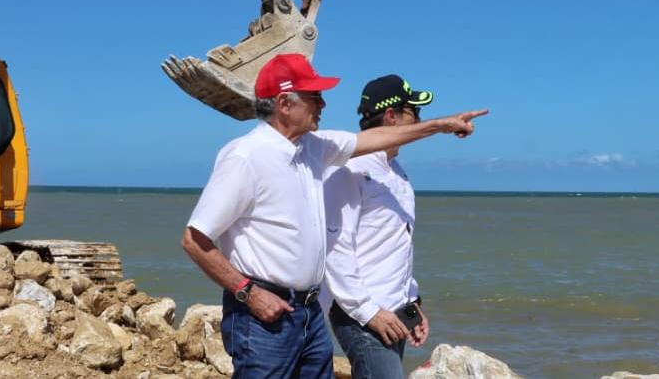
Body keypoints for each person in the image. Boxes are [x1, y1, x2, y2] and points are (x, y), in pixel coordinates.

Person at [181, 55, 488, 379]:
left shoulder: (314, 147)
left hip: (309, 312)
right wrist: (249, 293)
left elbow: (376, 138)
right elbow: (194, 239)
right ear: (284, 103)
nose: (323, 103)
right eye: (314, 96)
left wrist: (441, 126)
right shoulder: (245, 156)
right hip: (263, 314)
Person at [321, 74, 475, 378]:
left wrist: (411, 305)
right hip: (362, 315)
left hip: (392, 312)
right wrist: (370, 313)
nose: (418, 119)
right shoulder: (350, 170)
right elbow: (334, 250)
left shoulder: (395, 171)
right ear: (391, 116)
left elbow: (395, 244)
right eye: (413, 111)